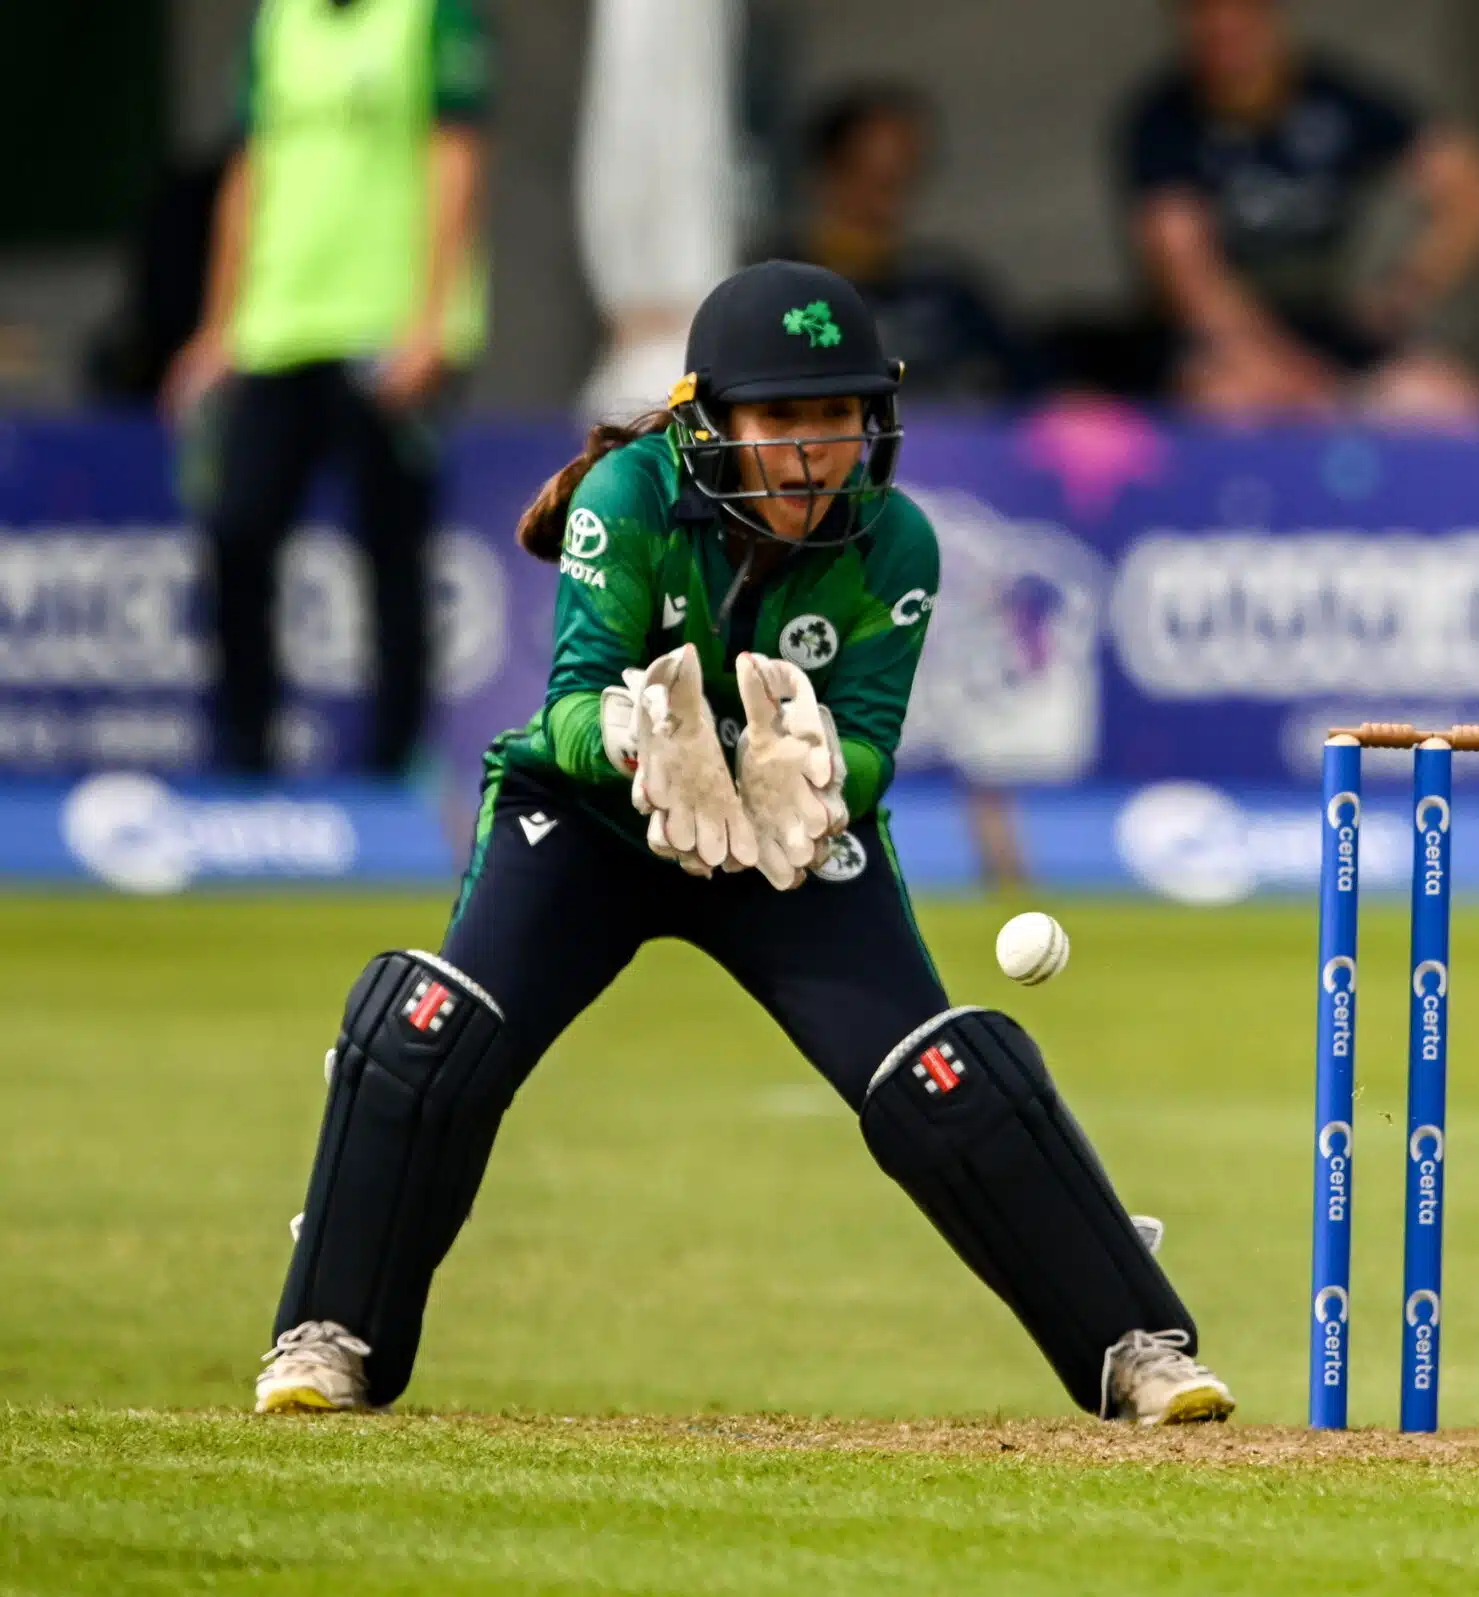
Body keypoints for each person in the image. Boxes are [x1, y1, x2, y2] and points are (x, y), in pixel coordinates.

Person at [252, 261, 1235, 1427]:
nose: (814, 452)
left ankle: (1136, 1345)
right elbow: (568, 698)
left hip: (783, 843)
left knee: (945, 1075)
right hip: (595, 823)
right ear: (710, 418)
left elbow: (870, 742)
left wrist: (816, 776)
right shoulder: (624, 496)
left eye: (838, 416)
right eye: (782, 418)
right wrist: (626, 737)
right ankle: (328, 1338)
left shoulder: (896, 543)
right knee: (431, 1034)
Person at [163, 0, 491, 777]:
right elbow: (250, 169)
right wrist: (218, 324)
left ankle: (395, 763)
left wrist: (432, 322)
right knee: (237, 532)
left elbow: (456, 160)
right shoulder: (278, 20)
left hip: (384, 334)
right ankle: (245, 757)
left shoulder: (432, 16)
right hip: (275, 329)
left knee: (392, 553)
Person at [1118, 0, 1479, 422]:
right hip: (1218, 341)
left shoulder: (1337, 98)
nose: (1225, 27)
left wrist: (1404, 292)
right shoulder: (1160, 120)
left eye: (1242, 13)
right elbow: (1186, 270)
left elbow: (1475, 189)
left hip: (1330, 325)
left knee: (1448, 405)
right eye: (1206, 14)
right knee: (1227, 405)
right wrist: (1283, 370)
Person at [793, 84, 1043, 403]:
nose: (887, 201)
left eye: (904, 177)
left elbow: (1024, 393)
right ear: (826, 174)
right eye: (873, 175)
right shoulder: (775, 294)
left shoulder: (950, 297)